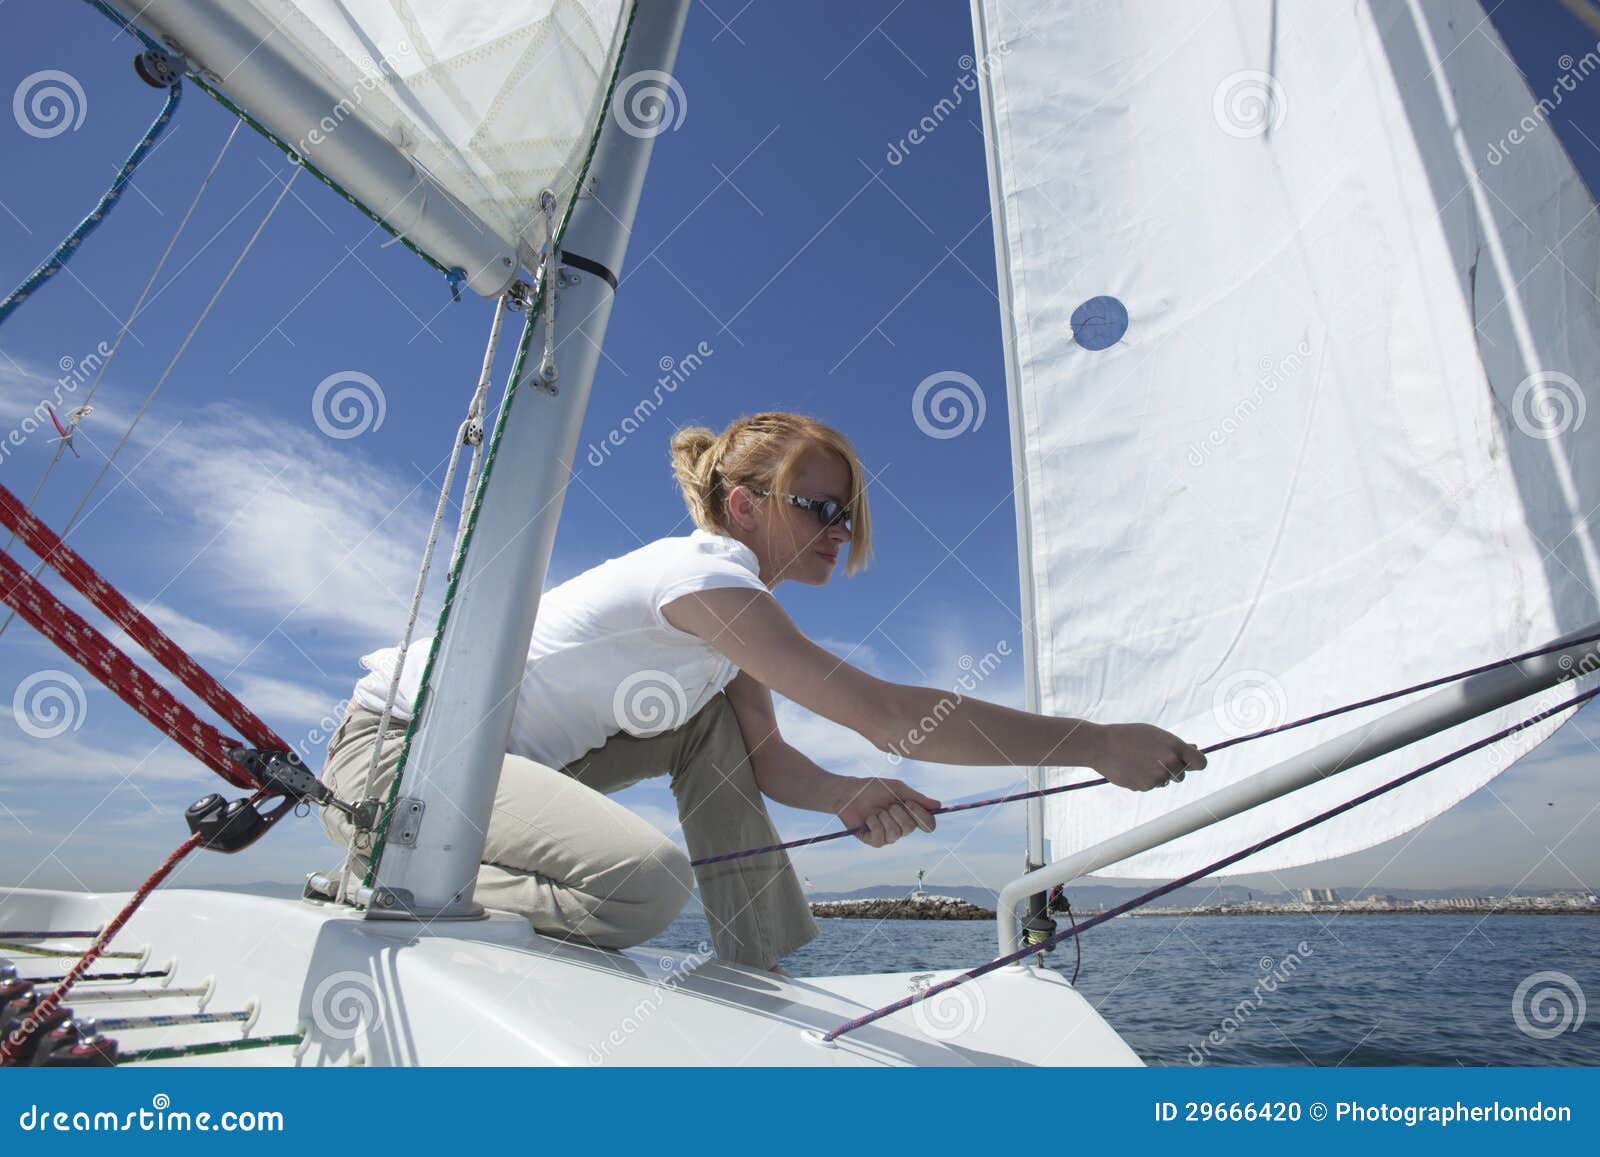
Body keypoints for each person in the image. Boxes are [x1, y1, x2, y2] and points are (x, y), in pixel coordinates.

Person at [319, 412, 1205, 973]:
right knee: (641, 886)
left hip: (496, 778)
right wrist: (1093, 742)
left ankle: (758, 960)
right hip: (398, 760)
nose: (839, 529)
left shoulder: (734, 624)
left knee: (710, 726)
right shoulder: (703, 572)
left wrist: (847, 793)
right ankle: (387, 871)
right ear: (745, 507)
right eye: (817, 505)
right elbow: (893, 717)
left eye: (847, 512)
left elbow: (765, 759)